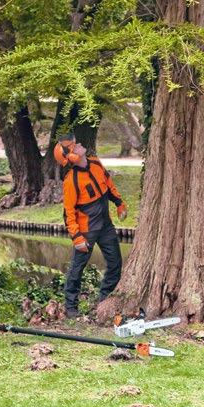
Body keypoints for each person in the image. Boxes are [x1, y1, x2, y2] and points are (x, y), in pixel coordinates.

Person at [54, 133, 128, 318]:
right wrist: (76, 237)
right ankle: (71, 307)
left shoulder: (95, 163)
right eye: (74, 146)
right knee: (77, 268)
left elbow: (108, 183)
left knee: (115, 263)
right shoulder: (71, 181)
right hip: (86, 231)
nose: (79, 144)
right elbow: (68, 213)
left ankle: (104, 300)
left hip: (105, 225)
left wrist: (119, 203)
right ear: (71, 157)